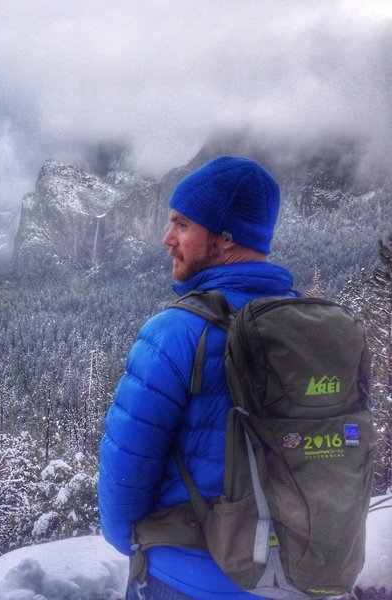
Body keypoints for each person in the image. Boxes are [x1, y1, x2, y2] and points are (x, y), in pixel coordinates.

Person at [98, 156, 296, 599]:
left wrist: (133, 544)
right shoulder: (310, 329)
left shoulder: (174, 333)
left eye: (182, 225)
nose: (167, 239)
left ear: (225, 240)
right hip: (293, 574)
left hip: (189, 576)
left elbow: (124, 469)